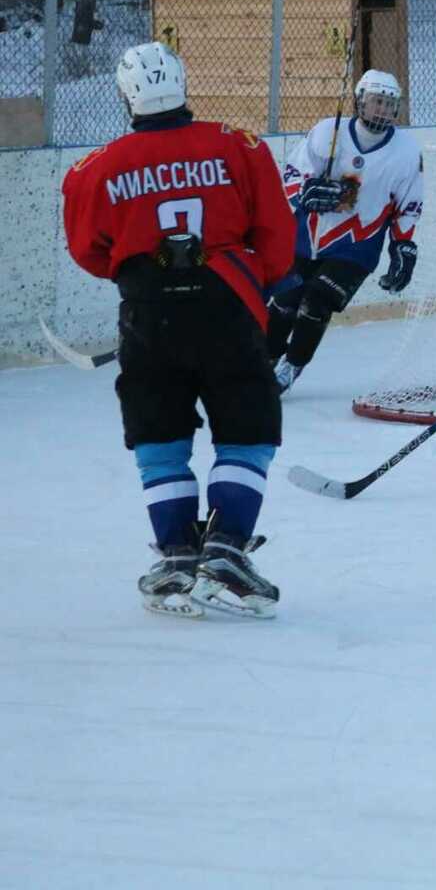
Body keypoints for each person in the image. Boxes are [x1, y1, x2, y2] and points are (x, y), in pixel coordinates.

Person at [61, 42, 295, 618]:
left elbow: (88, 251)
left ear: (127, 96)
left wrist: (143, 276)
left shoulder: (97, 168)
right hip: (226, 305)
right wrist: (253, 282)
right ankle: (226, 546)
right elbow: (278, 237)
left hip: (149, 315)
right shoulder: (238, 145)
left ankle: (175, 555)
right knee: (247, 426)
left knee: (158, 435)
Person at [268, 69, 424, 394]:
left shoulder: (407, 152)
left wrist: (403, 246)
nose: (382, 109)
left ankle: (291, 367)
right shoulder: (328, 131)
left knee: (317, 302)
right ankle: (259, 362)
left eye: (389, 104)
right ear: (360, 102)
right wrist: (304, 190)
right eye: (376, 101)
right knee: (284, 303)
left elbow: (408, 204)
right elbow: (292, 172)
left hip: (357, 246)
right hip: (305, 237)